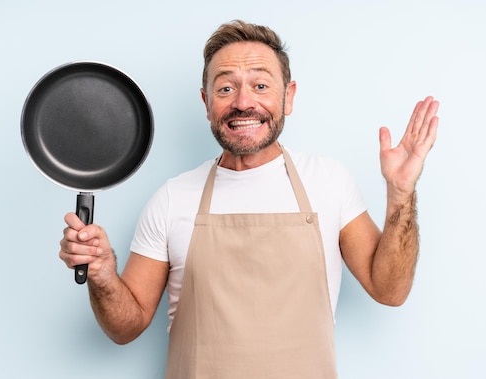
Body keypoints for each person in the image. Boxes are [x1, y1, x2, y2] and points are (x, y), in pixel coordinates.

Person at [59, 19, 439, 378]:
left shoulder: (328, 181)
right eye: (226, 88)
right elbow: (126, 328)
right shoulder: (172, 198)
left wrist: (401, 195)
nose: (243, 102)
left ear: (288, 97)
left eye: (260, 86)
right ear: (207, 102)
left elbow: (389, 290)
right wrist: (104, 276)